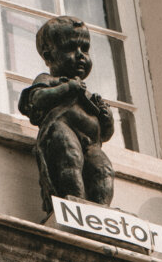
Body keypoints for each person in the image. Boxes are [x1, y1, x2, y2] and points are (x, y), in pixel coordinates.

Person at [19, 16, 115, 212]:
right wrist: (67, 88)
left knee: (103, 169)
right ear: (48, 55)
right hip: (61, 129)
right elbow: (36, 99)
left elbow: (104, 134)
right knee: (70, 158)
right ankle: (75, 204)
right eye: (70, 48)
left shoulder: (88, 95)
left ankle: (101, 211)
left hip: (91, 141)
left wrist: (107, 119)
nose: (80, 55)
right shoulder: (50, 79)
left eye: (85, 50)